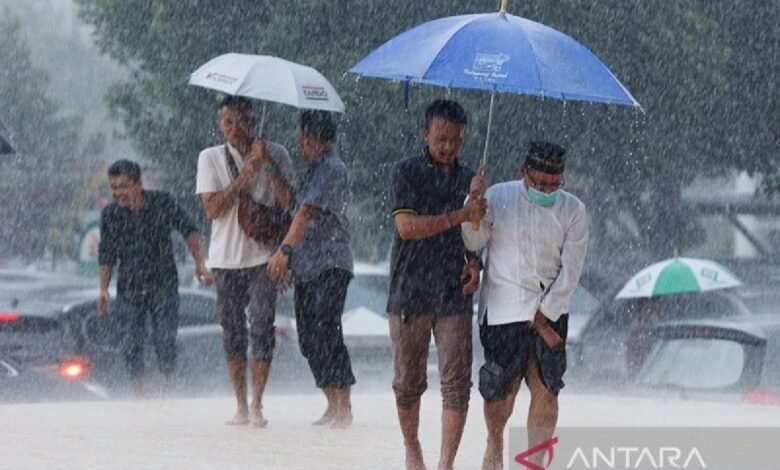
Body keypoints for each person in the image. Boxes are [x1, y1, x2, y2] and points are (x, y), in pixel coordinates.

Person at [462, 141, 588, 470]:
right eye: (540, 183)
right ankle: (494, 444)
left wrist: (546, 313)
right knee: (500, 390)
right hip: (502, 308)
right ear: (523, 172)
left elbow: (572, 270)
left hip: (550, 311)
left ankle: (536, 463)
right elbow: (472, 242)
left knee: (547, 388)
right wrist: (472, 205)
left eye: (553, 184)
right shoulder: (498, 197)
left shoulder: (573, 211)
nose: (546, 190)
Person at [386, 99, 486, 470]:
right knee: (408, 383)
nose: (448, 147)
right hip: (409, 291)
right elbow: (407, 229)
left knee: (457, 383)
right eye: (441, 138)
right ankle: (413, 450)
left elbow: (474, 237)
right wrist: (461, 213)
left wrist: (476, 263)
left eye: (456, 140)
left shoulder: (468, 180)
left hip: (452, 292)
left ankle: (446, 464)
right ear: (425, 133)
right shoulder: (406, 171)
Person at [196, 96, 295, 427]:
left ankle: (258, 404)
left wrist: (266, 164)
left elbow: (287, 204)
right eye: (229, 123)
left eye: (242, 121)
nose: (237, 129)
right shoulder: (210, 158)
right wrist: (245, 175)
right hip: (225, 259)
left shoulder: (276, 152)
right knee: (232, 329)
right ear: (220, 125)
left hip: (263, 258)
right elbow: (212, 209)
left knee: (263, 326)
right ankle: (239, 403)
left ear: (253, 120)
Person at [266, 110, 355, 428]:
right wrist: (270, 168)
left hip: (330, 262)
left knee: (327, 331)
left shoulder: (331, 167)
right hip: (308, 265)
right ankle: (332, 402)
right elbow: (291, 204)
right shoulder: (313, 170)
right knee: (308, 338)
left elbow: (305, 213)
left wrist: (284, 251)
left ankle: (344, 405)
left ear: (316, 138)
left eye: (303, 137)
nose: (299, 143)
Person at [97, 159, 212, 398]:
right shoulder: (110, 215)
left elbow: (188, 229)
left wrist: (200, 263)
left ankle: (167, 387)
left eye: (124, 186)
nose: (119, 193)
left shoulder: (162, 203)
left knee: (165, 339)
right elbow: (106, 254)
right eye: (114, 187)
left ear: (139, 184)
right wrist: (103, 289)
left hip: (164, 286)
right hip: (130, 288)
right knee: (130, 343)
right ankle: (138, 392)